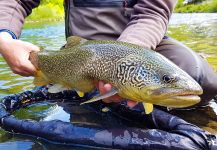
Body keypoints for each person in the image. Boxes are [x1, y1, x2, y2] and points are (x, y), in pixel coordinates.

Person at [0, 0, 217, 107]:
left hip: (143, 42)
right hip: (82, 48)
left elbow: (153, 11)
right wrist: (4, 38)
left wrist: (121, 59)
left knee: (200, 77)